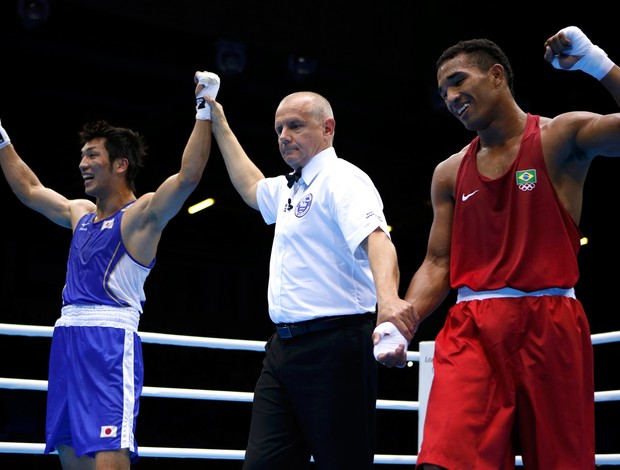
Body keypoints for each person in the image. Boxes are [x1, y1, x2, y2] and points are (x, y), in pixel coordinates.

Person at [401, 26, 620, 469]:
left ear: (497, 76)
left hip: (551, 323)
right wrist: (402, 319)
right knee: (444, 459)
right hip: (472, 329)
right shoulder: (448, 173)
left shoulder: (561, 137)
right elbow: (438, 260)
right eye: (443, 90)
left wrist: (598, 64)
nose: (450, 95)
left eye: (459, 80)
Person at [0, 70, 220, 469]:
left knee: (108, 453)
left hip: (108, 343)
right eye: (82, 155)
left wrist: (204, 108)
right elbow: (30, 189)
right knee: (70, 451)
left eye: (92, 156)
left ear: (120, 164)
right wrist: (2, 139)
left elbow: (188, 177)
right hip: (67, 338)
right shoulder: (80, 213)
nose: (82, 163)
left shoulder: (142, 215)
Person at [203, 90, 415, 469]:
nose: (284, 135)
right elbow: (251, 187)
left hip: (336, 346)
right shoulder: (290, 187)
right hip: (282, 350)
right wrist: (218, 122)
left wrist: (389, 303)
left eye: (295, 125)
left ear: (327, 128)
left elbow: (377, 240)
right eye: (279, 128)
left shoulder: (343, 179)